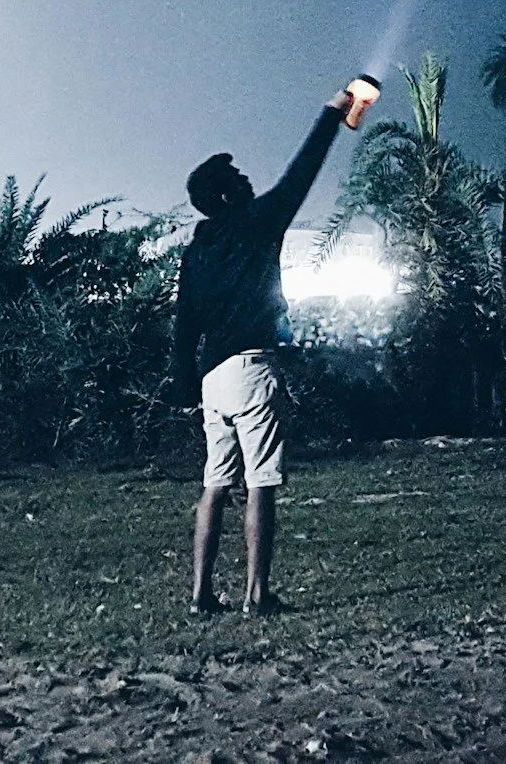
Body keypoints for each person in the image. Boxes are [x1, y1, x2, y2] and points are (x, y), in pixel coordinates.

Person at [170, 85, 368, 616]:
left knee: (214, 484)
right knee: (261, 484)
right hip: (252, 368)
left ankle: (200, 595)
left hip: (212, 378)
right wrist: (331, 113)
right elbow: (301, 173)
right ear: (229, 194)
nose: (246, 180)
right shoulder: (256, 226)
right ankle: (257, 596)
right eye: (236, 179)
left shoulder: (196, 254)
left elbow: (184, 327)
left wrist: (186, 387)